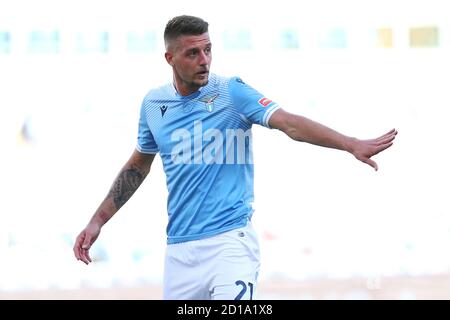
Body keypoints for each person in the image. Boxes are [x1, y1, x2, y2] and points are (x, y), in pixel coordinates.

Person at [73, 15, 397, 300]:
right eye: (193, 53)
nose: (204, 60)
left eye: (208, 49)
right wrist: (98, 220)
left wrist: (350, 143)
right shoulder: (153, 104)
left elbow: (289, 124)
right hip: (179, 251)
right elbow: (138, 166)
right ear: (170, 58)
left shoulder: (231, 92)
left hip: (230, 244)